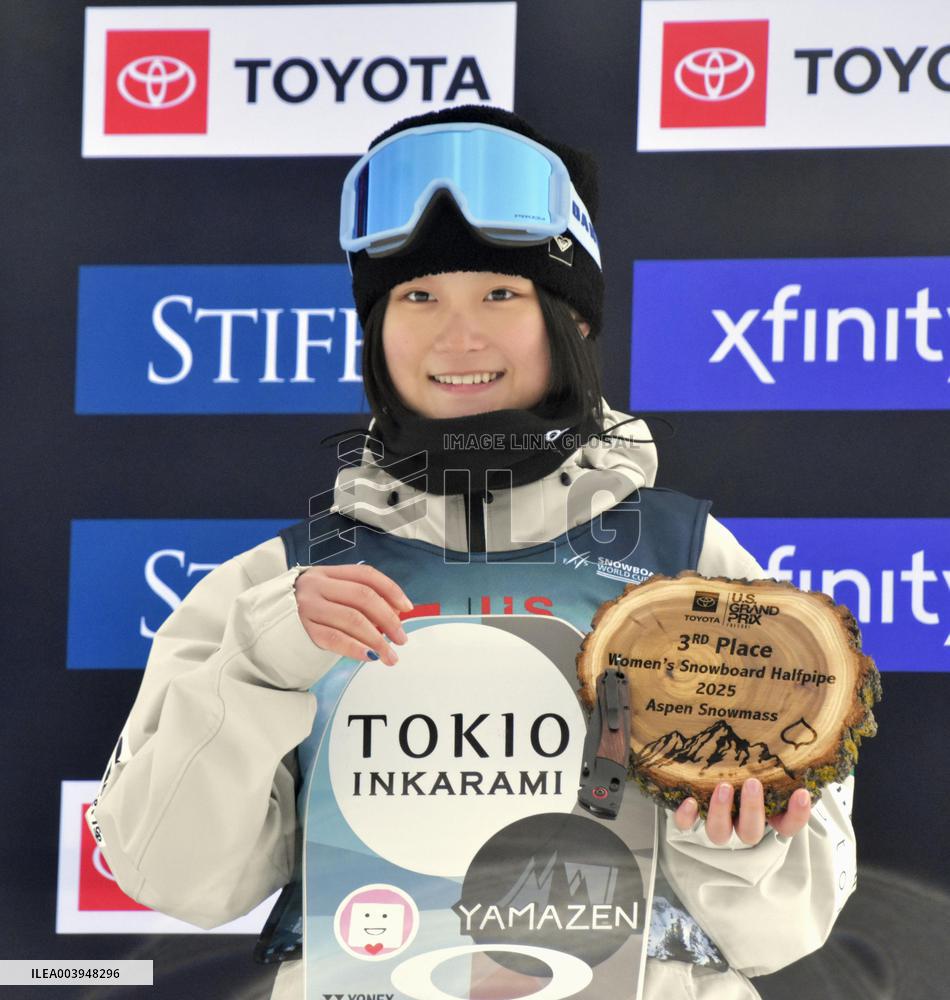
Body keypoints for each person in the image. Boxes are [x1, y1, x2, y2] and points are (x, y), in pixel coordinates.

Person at [87, 105, 856, 1000]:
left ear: (573, 323)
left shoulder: (697, 572)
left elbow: (785, 929)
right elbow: (174, 878)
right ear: (374, 328)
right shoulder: (278, 589)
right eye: (417, 297)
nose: (458, 337)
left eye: (501, 293)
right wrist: (257, 671)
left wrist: (736, 841)